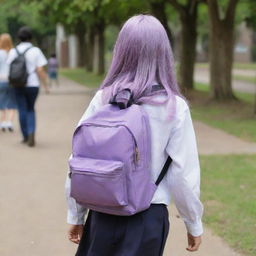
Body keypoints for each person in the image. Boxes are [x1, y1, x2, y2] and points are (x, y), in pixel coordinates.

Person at [65, 15, 203, 256]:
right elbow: (183, 174)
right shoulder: (173, 106)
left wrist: (75, 214)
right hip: (148, 216)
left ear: (122, 51)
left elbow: (80, 159)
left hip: (102, 212)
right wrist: (193, 223)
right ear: (163, 53)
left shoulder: (104, 98)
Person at [7, 26, 49, 146]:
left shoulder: (13, 51)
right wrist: (45, 85)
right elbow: (40, 70)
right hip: (33, 84)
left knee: (22, 109)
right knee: (31, 109)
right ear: (31, 37)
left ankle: (25, 136)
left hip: (18, 84)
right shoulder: (36, 51)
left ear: (19, 37)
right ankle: (31, 132)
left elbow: (9, 67)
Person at [0, 33, 16, 132]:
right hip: (12, 80)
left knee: (1, 102)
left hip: (0, 80)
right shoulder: (13, 52)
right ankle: (9, 122)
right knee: (12, 101)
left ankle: (2, 122)